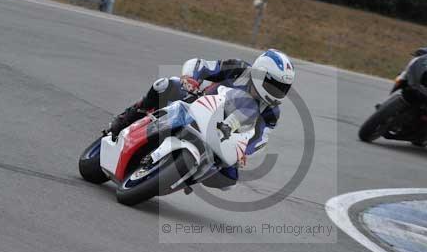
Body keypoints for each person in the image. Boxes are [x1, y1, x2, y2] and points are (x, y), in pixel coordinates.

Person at [108, 49, 295, 189]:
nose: (277, 92)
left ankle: (182, 173)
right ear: (260, 73)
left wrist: (244, 151)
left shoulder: (272, 113)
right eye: (274, 85)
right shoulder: (238, 68)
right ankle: (125, 119)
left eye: (282, 88)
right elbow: (200, 65)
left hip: (224, 137)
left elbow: (260, 138)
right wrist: (191, 79)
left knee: (230, 179)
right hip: (195, 106)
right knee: (165, 85)